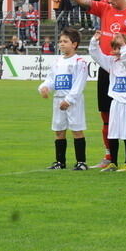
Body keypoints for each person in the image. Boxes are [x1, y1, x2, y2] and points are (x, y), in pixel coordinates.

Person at [61, 0, 126, 168]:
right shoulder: (104, 8)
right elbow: (82, 1)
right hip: (107, 66)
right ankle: (109, 156)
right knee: (106, 112)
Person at [88, 31, 126, 172]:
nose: (117, 51)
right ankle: (113, 162)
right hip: (116, 102)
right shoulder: (112, 62)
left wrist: (124, 46)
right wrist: (95, 40)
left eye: (120, 48)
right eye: (115, 48)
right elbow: (96, 55)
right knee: (113, 132)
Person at [39, 28, 89, 170]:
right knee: (59, 130)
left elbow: (79, 84)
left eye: (65, 41)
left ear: (74, 44)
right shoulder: (56, 61)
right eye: (60, 41)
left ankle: (81, 162)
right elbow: (51, 80)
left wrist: (69, 100)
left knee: (76, 130)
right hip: (58, 100)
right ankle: (60, 162)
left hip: (73, 102)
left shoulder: (80, 62)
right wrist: (44, 87)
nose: (61, 44)